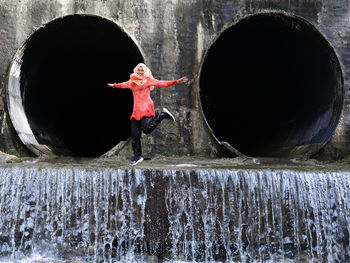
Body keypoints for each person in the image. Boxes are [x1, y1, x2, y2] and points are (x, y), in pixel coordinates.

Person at [107, 63, 188, 166]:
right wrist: (114, 85)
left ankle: (162, 115)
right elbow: (123, 85)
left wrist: (176, 81)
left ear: (144, 71)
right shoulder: (132, 82)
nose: (140, 71)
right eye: (139, 70)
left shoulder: (148, 80)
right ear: (136, 70)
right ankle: (137, 156)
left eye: (142, 70)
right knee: (135, 136)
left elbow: (162, 83)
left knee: (147, 129)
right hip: (136, 111)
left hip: (146, 109)